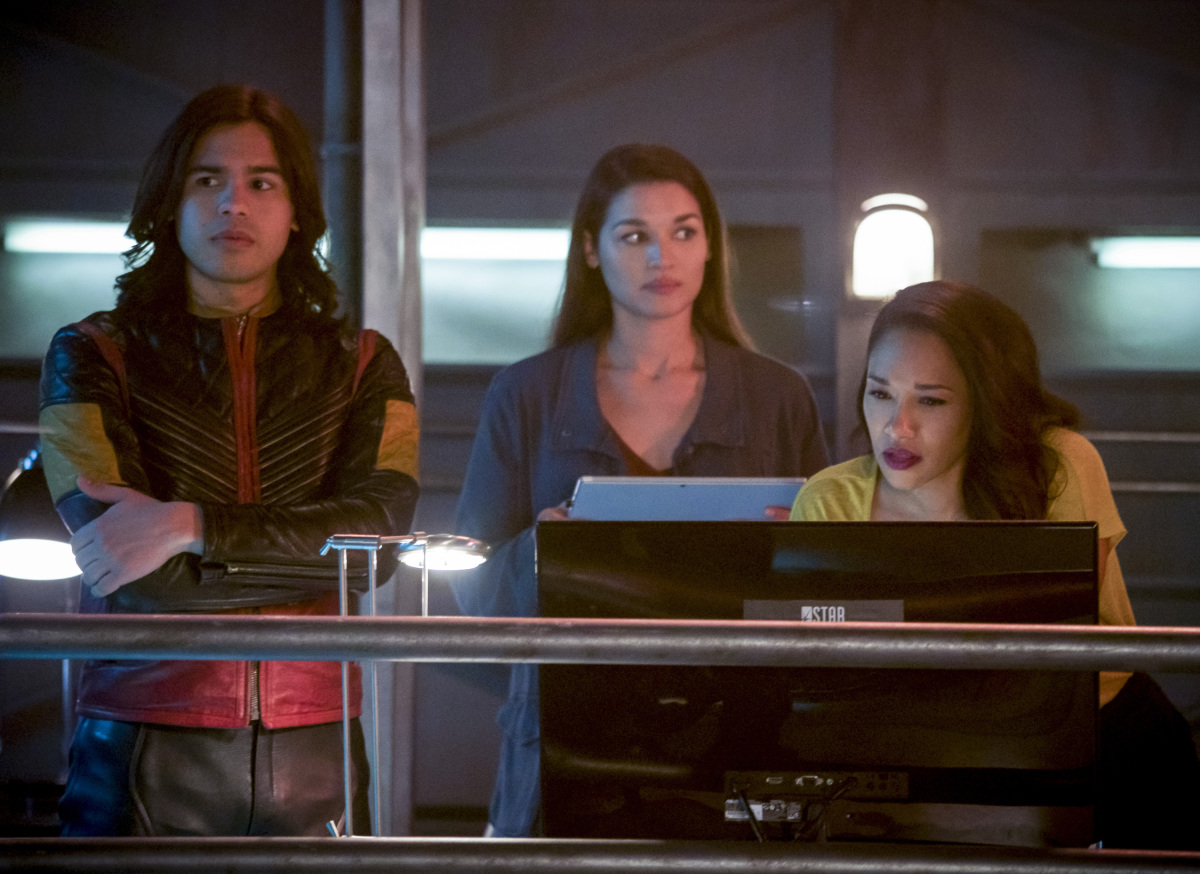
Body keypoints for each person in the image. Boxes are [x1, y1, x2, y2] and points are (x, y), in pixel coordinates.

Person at [38, 85, 420, 836]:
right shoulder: (89, 354)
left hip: (319, 743)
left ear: (297, 210)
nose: (233, 203)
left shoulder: (365, 363)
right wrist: (311, 556)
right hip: (141, 738)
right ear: (169, 201)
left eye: (262, 182)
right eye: (207, 179)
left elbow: (374, 550)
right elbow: (129, 568)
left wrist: (189, 525)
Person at [451, 143, 829, 836]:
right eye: (634, 236)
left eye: (683, 232)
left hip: (741, 744)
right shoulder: (527, 394)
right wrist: (540, 550)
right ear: (590, 251)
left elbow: (839, 585)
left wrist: (794, 549)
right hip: (569, 749)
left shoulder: (777, 396)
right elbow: (471, 589)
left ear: (710, 247)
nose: (662, 257)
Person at [791, 279, 1200, 849]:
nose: (896, 426)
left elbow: (1047, 659)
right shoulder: (830, 498)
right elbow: (820, 671)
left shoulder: (1058, 464)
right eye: (880, 393)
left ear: (985, 402)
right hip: (912, 752)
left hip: (1100, 743)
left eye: (931, 400)